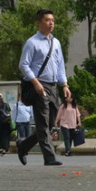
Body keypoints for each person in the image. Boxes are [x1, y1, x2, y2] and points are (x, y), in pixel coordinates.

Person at [17, 9, 71, 166]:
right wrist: (36, 83)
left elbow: (60, 65)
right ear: (39, 22)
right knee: (42, 123)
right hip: (39, 85)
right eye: (47, 20)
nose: (51, 23)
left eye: (52, 20)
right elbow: (23, 65)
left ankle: (24, 144)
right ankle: (49, 157)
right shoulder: (32, 42)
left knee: (50, 123)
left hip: (53, 86)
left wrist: (65, 85)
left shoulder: (56, 42)